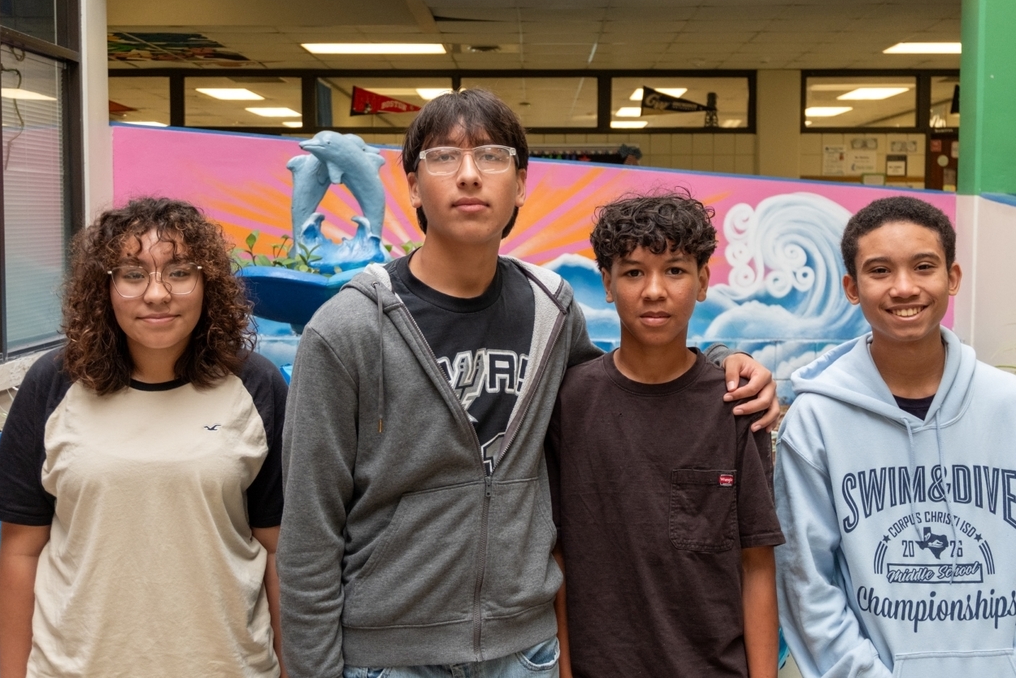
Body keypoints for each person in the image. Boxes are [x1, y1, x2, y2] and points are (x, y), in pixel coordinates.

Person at [277, 88, 780, 677]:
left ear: (520, 185)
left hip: (526, 653)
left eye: (492, 156)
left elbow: (632, 375)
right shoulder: (349, 328)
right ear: (412, 186)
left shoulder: (551, 310)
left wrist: (722, 360)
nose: (469, 175)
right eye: (444, 157)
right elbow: (308, 535)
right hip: (392, 658)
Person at [0, 198, 288, 677]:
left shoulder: (256, 385)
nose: (156, 294)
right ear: (103, 288)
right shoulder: (54, 383)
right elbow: (21, 551)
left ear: (208, 283)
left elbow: (278, 552)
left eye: (179, 272)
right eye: (132, 274)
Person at [774, 196, 1016, 677]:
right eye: (880, 270)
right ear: (851, 287)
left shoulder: (1008, 406)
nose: (904, 288)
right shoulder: (816, 420)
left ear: (953, 277)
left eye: (923, 267)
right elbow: (806, 580)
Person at [546, 192, 783, 678]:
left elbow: (756, 563)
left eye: (675, 270)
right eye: (634, 272)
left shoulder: (737, 405)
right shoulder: (569, 403)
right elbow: (558, 557)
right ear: (607, 284)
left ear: (703, 281)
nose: (654, 291)